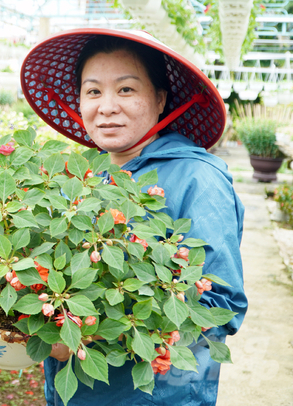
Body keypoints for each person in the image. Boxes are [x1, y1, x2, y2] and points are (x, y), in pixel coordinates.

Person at [20, 29, 248, 406]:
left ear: (160, 99)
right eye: (93, 91)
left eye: (126, 89)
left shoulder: (197, 179)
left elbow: (220, 306)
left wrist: (91, 332)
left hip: (158, 395)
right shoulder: (82, 180)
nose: (106, 106)